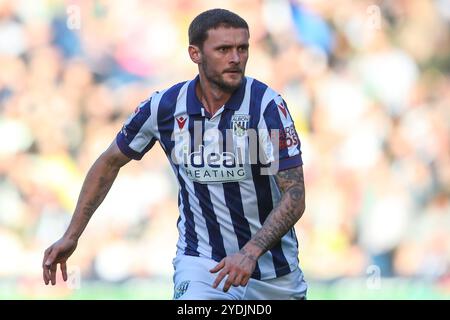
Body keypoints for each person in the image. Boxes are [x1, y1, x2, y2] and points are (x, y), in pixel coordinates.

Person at [42, 8, 307, 300]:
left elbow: (294, 195)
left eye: (242, 48)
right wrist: (72, 234)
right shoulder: (165, 107)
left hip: (273, 275)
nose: (235, 58)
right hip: (202, 265)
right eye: (223, 49)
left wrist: (250, 252)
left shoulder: (266, 107)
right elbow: (109, 162)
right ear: (195, 54)